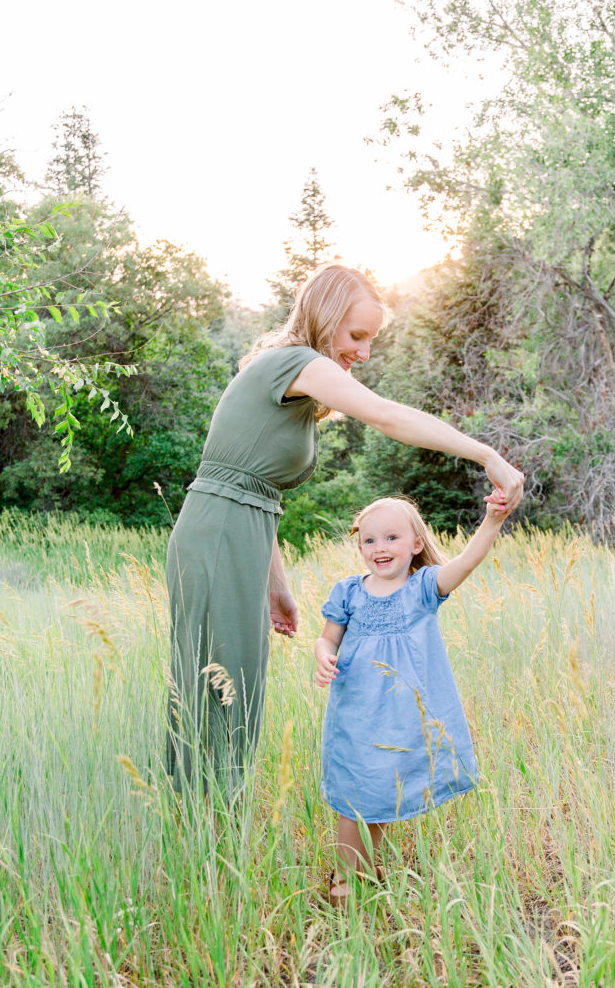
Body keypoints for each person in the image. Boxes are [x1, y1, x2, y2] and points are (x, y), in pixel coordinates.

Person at [166, 263, 523, 794]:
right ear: (324, 316)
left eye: (372, 339)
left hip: (239, 534)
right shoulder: (295, 361)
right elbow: (385, 415)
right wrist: (485, 452)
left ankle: (211, 828)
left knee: (233, 690)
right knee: (218, 693)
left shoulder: (297, 377)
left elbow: (255, 488)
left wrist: (277, 584)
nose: (365, 352)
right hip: (218, 535)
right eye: (357, 335)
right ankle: (200, 834)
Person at [314, 495, 508, 905]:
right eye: (369, 540)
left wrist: (492, 520)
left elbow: (466, 562)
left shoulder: (422, 588)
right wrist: (323, 656)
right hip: (357, 711)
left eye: (391, 537)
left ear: (416, 543)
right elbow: (328, 637)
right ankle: (346, 881)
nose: (379, 548)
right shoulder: (348, 591)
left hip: (404, 716)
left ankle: (364, 863)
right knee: (356, 791)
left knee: (383, 788)